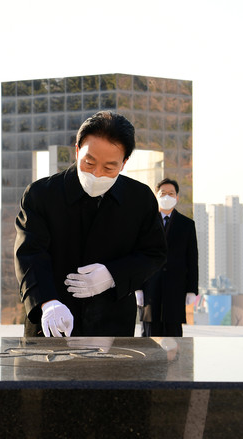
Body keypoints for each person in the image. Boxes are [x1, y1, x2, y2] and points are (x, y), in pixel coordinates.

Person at [14, 111, 167, 337]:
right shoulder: (41, 194)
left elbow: (154, 253)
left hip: (111, 325)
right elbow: (30, 253)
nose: (97, 174)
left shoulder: (140, 199)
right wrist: (47, 302)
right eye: (89, 162)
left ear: (124, 163)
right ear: (77, 151)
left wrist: (113, 275)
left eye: (109, 168)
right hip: (52, 322)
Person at [138, 178, 198, 337]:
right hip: (150, 289)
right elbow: (138, 256)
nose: (167, 197)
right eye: (163, 193)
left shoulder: (187, 225)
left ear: (177, 197)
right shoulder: (145, 223)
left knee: (174, 338)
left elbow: (192, 259)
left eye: (171, 194)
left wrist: (192, 290)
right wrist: (137, 288)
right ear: (156, 196)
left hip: (175, 289)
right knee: (150, 338)